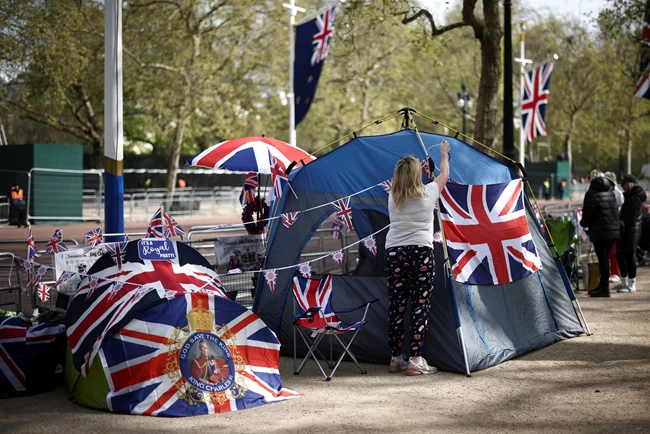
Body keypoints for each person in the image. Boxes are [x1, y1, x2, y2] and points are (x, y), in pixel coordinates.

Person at [385, 140, 450, 376]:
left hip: (394, 253)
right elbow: (444, 174)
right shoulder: (429, 192)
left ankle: (395, 358)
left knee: (396, 306)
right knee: (419, 307)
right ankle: (415, 359)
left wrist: (415, 172)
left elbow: (405, 184)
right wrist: (443, 154)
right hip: (421, 253)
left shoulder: (393, 196)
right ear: (417, 175)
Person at [580, 172, 620, 297]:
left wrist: (584, 223)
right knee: (606, 258)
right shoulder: (611, 193)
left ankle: (604, 288)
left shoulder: (591, 195)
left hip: (599, 231)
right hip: (612, 231)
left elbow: (588, 214)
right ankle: (603, 285)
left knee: (602, 259)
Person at [615, 175, 646, 293]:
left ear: (630, 184)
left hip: (631, 230)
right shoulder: (629, 196)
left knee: (629, 255)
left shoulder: (634, 198)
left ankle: (631, 284)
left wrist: (621, 223)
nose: (622, 186)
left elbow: (630, 217)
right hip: (626, 229)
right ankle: (624, 281)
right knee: (620, 254)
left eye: (624, 184)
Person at [603, 171, 623, 285]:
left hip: (614, 224)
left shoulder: (617, 193)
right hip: (607, 224)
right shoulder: (606, 192)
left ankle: (615, 272)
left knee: (613, 251)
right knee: (607, 251)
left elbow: (619, 208)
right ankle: (609, 272)